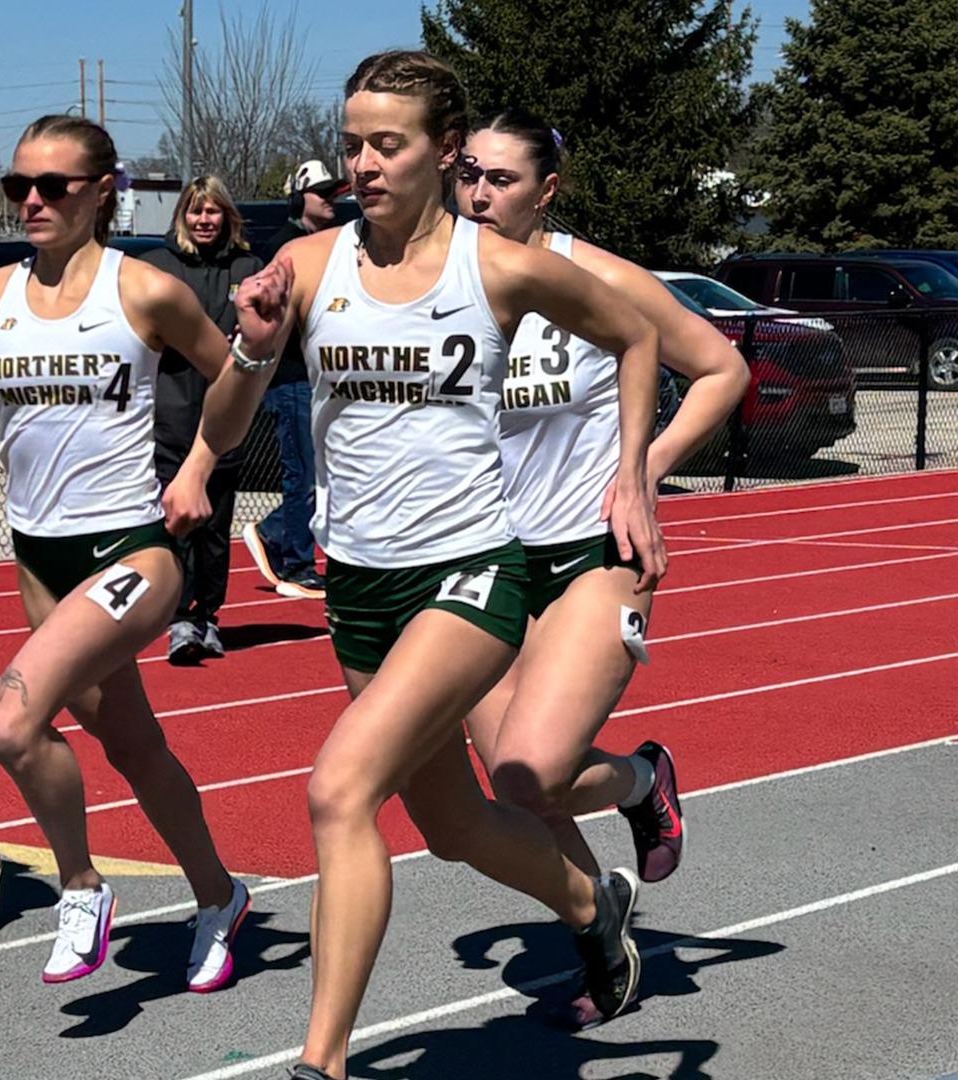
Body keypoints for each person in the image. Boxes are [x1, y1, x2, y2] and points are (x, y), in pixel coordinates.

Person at [192, 52, 668, 1080]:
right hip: (358, 584)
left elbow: (636, 336)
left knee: (339, 789)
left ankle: (319, 1064)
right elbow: (228, 428)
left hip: (468, 576)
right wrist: (250, 346)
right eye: (353, 141)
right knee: (450, 824)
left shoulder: (495, 265)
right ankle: (592, 903)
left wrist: (632, 473)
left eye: (387, 144)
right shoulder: (312, 266)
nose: (362, 162)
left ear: (444, 153)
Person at [0, 115, 277, 990]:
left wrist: (193, 470)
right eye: (17, 187)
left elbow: (233, 385)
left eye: (54, 187)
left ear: (103, 190)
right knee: (135, 747)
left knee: (10, 719)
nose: (31, 201)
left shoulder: (145, 291)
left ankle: (80, 886)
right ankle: (220, 897)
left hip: (134, 553)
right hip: (39, 555)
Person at [453, 109, 749, 1024]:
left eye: (502, 179)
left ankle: (642, 781)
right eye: (468, 171)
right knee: (511, 792)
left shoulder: (600, 278)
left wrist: (642, 470)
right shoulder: (439, 283)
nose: (478, 193)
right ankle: (601, 946)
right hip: (476, 558)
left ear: (547, 191)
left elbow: (721, 368)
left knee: (535, 772)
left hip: (591, 553)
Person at [138, 175, 262, 663]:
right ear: (181, 216)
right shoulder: (156, 269)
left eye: (213, 211)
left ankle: (208, 615)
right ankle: (179, 617)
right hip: (171, 414)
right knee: (176, 519)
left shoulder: (249, 268)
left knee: (215, 525)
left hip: (224, 419)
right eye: (195, 211)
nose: (204, 220)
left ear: (226, 216)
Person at [237, 159, 356, 603]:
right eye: (322, 193)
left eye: (334, 194)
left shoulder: (324, 246)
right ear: (298, 198)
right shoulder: (286, 248)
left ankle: (271, 531)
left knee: (322, 475)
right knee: (302, 473)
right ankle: (297, 563)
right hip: (289, 379)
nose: (331, 200)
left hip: (319, 379)